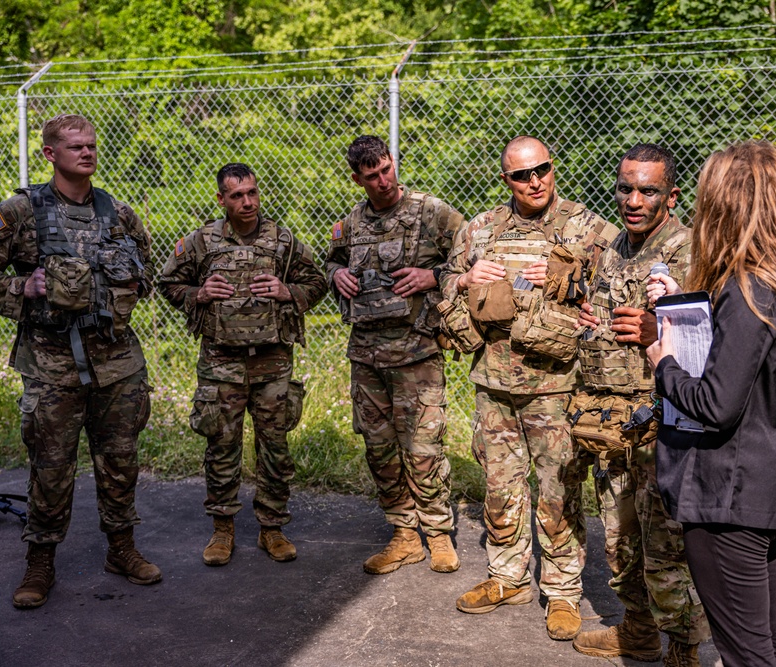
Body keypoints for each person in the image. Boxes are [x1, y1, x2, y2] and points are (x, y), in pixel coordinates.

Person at [0, 113, 161, 608]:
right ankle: (40, 562)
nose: (86, 153)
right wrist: (20, 287)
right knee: (50, 469)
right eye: (75, 147)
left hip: (117, 363)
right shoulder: (19, 212)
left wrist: (136, 285)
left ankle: (121, 548)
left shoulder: (119, 214)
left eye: (91, 144)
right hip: (51, 366)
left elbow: (149, 271)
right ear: (50, 154)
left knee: (120, 463)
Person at [645, 141, 776, 667]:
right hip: (771, 489)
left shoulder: (748, 290)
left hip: (730, 498)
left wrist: (663, 361)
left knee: (746, 653)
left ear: (726, 205)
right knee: (769, 644)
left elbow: (717, 403)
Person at [443, 135, 621, 640]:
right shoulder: (481, 229)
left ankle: (563, 591)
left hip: (556, 384)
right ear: (507, 180)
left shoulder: (585, 228)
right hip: (493, 382)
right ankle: (508, 577)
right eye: (521, 175)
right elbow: (446, 281)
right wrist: (464, 278)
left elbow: (621, 280)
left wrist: (574, 276)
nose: (534, 181)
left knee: (558, 489)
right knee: (499, 486)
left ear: (551, 166)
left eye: (540, 169)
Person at [571, 144, 709, 666]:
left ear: (670, 197)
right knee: (621, 541)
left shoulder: (689, 251)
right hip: (614, 424)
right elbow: (607, 318)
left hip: (664, 426)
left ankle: (684, 647)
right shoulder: (614, 250)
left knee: (665, 550)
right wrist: (593, 324)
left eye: (647, 190)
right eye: (626, 187)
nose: (634, 199)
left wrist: (661, 328)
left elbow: (714, 339)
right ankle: (637, 631)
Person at [159, 163, 326, 565]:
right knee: (222, 447)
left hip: (272, 363)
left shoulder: (282, 240)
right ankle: (222, 530)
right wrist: (199, 293)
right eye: (237, 195)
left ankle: (272, 529)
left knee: (274, 448)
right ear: (221, 199)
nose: (247, 201)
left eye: (252, 192)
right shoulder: (201, 241)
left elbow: (318, 281)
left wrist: (288, 291)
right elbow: (166, 283)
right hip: (221, 365)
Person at [325, 136, 465, 575]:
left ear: (392, 163)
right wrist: (338, 277)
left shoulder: (431, 212)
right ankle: (404, 535)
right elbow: (330, 264)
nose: (383, 181)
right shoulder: (350, 224)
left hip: (417, 354)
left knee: (423, 448)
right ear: (357, 179)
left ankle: (438, 534)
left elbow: (473, 259)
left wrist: (432, 275)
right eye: (372, 176)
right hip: (366, 358)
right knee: (380, 450)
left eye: (387, 169)